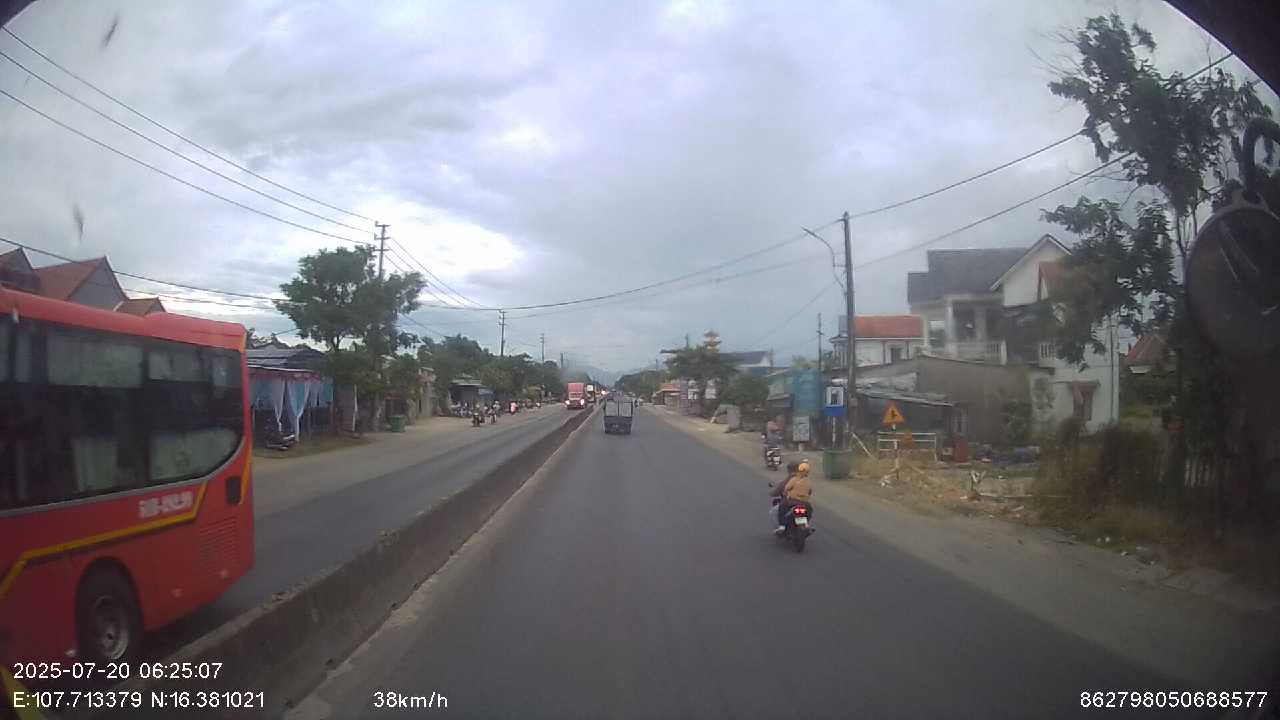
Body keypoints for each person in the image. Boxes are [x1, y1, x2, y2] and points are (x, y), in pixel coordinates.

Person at [776, 461, 814, 533]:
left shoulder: (793, 479)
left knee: (782, 507)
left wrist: (785, 493)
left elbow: (786, 488)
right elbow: (810, 491)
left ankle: (782, 526)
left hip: (792, 501)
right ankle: (806, 524)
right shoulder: (808, 481)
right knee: (809, 510)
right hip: (804, 503)